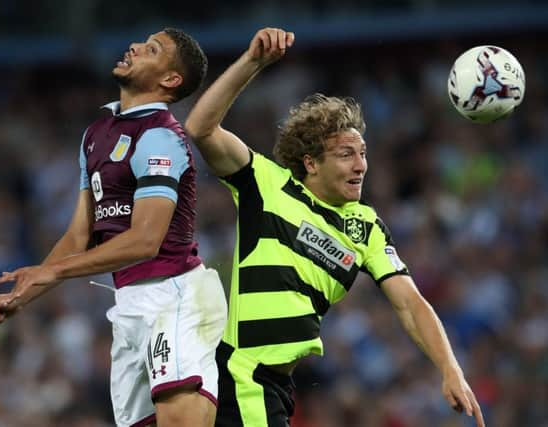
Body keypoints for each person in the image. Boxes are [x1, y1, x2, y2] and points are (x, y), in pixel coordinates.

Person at [184, 28, 485, 427]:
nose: (360, 165)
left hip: (274, 386)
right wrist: (252, 63)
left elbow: (410, 303)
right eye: (345, 154)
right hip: (244, 374)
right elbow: (201, 128)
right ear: (310, 162)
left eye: (362, 154)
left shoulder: (366, 227)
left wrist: (449, 367)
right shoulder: (267, 185)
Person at [0, 28, 228, 427]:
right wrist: (22, 296)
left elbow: (144, 240)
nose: (135, 47)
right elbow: (77, 236)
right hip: (128, 306)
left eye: (152, 49)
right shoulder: (96, 135)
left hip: (175, 296)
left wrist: (52, 270)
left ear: (170, 79)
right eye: (142, 42)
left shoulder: (161, 137)